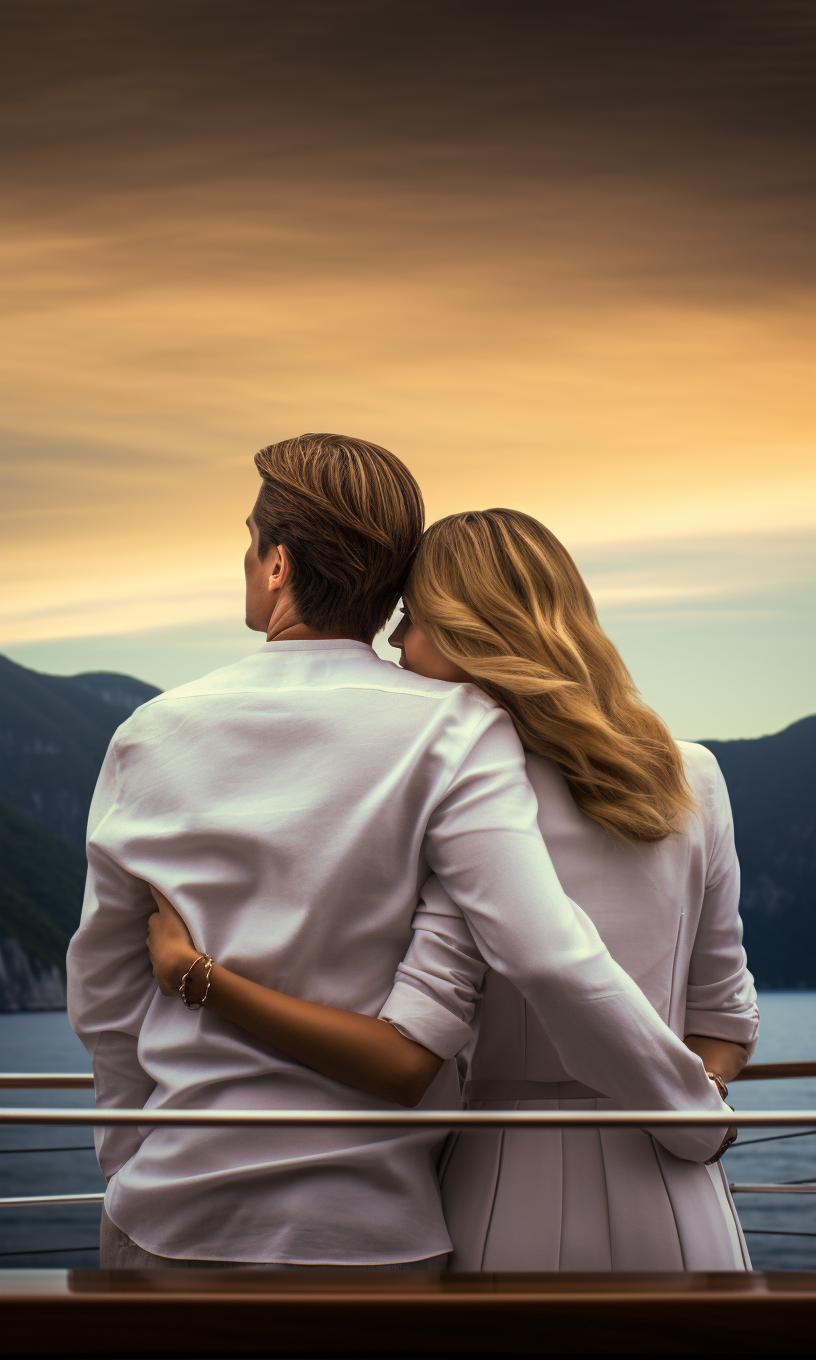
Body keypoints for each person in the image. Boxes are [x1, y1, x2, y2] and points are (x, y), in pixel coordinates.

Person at [68, 437, 730, 1270]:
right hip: (377, 1230)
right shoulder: (457, 731)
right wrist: (690, 1111)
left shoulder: (148, 735)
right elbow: (503, 977)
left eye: (250, 539)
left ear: (276, 565)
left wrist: (133, 1163)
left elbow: (103, 994)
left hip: (173, 1213)